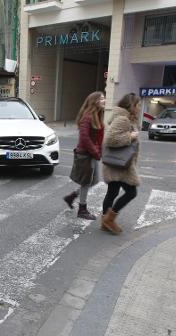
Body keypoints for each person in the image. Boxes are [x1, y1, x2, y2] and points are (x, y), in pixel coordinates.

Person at [101, 93, 141, 235]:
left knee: (112, 192)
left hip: (117, 162)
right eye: (138, 105)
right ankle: (109, 220)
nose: (139, 108)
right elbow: (110, 139)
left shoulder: (126, 118)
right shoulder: (123, 119)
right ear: (131, 105)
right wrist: (130, 136)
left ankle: (105, 220)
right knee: (131, 192)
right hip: (120, 164)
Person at [64, 91, 105, 220]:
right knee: (87, 182)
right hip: (86, 155)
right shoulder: (87, 117)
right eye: (102, 98)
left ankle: (72, 196)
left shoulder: (97, 115)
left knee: (94, 181)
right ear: (95, 101)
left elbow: (97, 137)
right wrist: (95, 152)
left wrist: (99, 151)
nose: (105, 100)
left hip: (92, 154)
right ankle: (82, 209)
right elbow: (85, 138)